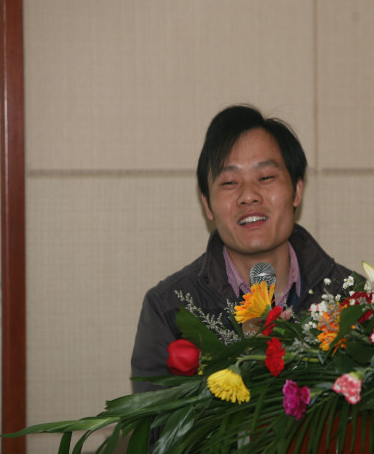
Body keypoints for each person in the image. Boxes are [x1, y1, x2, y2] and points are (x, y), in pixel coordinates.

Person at [131, 105, 352, 393]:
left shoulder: (351, 297)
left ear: (297, 191)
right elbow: (156, 419)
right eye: (230, 182)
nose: (248, 196)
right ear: (208, 205)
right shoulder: (169, 308)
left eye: (265, 177)